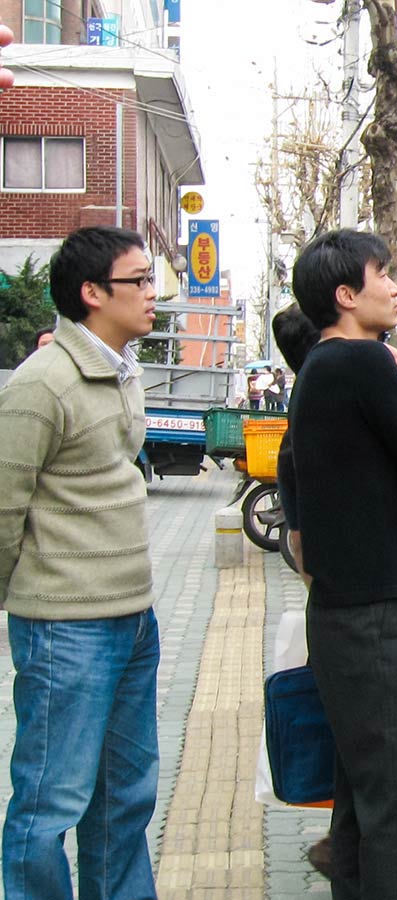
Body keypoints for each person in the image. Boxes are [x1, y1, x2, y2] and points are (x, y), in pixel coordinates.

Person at [273, 297, 397, 877]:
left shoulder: (318, 391)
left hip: (359, 596)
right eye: (379, 275)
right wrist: (395, 311)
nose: (391, 286)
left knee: (372, 749)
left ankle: (362, 826)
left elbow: (301, 535)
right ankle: (377, 813)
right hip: (391, 594)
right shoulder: (372, 368)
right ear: (344, 301)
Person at [0, 226, 161, 898]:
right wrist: (24, 599)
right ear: (93, 292)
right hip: (65, 628)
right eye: (139, 281)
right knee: (50, 803)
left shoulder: (124, 371)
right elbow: (4, 504)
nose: (152, 294)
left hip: (133, 617)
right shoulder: (42, 383)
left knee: (125, 797)